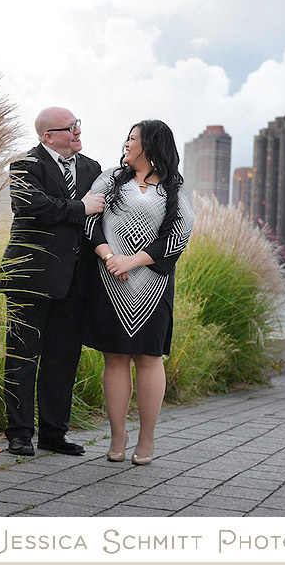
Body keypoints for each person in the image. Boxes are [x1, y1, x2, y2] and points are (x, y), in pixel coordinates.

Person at [83, 119, 193, 466]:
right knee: (114, 357)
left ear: (151, 144)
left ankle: (147, 439)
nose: (127, 143)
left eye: (133, 138)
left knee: (149, 358)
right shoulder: (109, 180)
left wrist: (133, 260)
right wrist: (111, 257)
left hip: (154, 284)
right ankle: (118, 435)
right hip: (110, 279)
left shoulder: (175, 188)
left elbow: (180, 235)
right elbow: (89, 221)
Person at [0, 107, 105, 456]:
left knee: (63, 359)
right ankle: (19, 433)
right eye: (70, 127)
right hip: (30, 275)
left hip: (75, 280)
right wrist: (80, 208)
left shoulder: (92, 168)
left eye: (78, 124)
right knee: (21, 357)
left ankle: (54, 434)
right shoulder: (25, 164)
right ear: (48, 137)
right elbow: (32, 205)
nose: (77, 131)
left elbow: (101, 214)